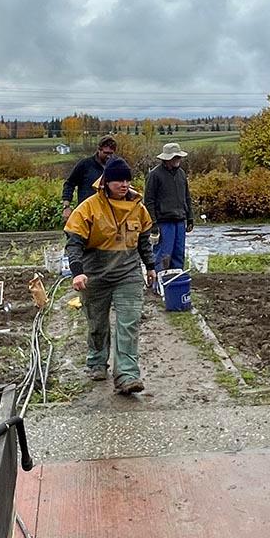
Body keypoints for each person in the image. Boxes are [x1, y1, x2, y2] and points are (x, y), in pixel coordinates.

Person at [64, 156, 156, 395]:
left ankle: (127, 374)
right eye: (118, 181)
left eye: (127, 180)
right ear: (106, 183)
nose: (124, 185)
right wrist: (77, 272)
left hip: (128, 273)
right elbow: (74, 243)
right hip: (95, 273)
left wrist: (151, 266)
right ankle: (96, 361)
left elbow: (144, 240)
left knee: (129, 322)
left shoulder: (138, 208)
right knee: (97, 323)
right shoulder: (88, 208)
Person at [144, 142, 195, 279]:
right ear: (166, 159)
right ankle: (159, 284)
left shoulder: (181, 174)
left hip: (180, 221)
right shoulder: (154, 175)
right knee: (163, 255)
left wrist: (190, 217)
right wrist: (153, 224)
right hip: (163, 222)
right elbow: (148, 201)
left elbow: (187, 196)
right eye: (175, 157)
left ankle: (176, 283)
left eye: (179, 157)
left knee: (178, 254)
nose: (178, 159)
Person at [61, 135, 117, 221]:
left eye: (111, 153)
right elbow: (69, 184)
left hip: (109, 216)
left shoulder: (117, 167)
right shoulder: (85, 165)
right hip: (86, 214)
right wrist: (66, 206)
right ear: (99, 150)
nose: (108, 156)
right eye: (106, 153)